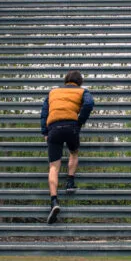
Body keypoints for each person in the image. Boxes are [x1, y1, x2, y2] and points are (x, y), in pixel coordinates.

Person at [40, 70, 95, 224]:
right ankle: (70, 182)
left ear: (66, 81)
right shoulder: (82, 91)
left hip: (54, 128)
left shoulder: (53, 92)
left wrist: (45, 131)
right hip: (71, 127)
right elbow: (89, 104)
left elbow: (44, 112)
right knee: (74, 153)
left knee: (53, 167)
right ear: (80, 82)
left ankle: (54, 201)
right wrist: (80, 121)